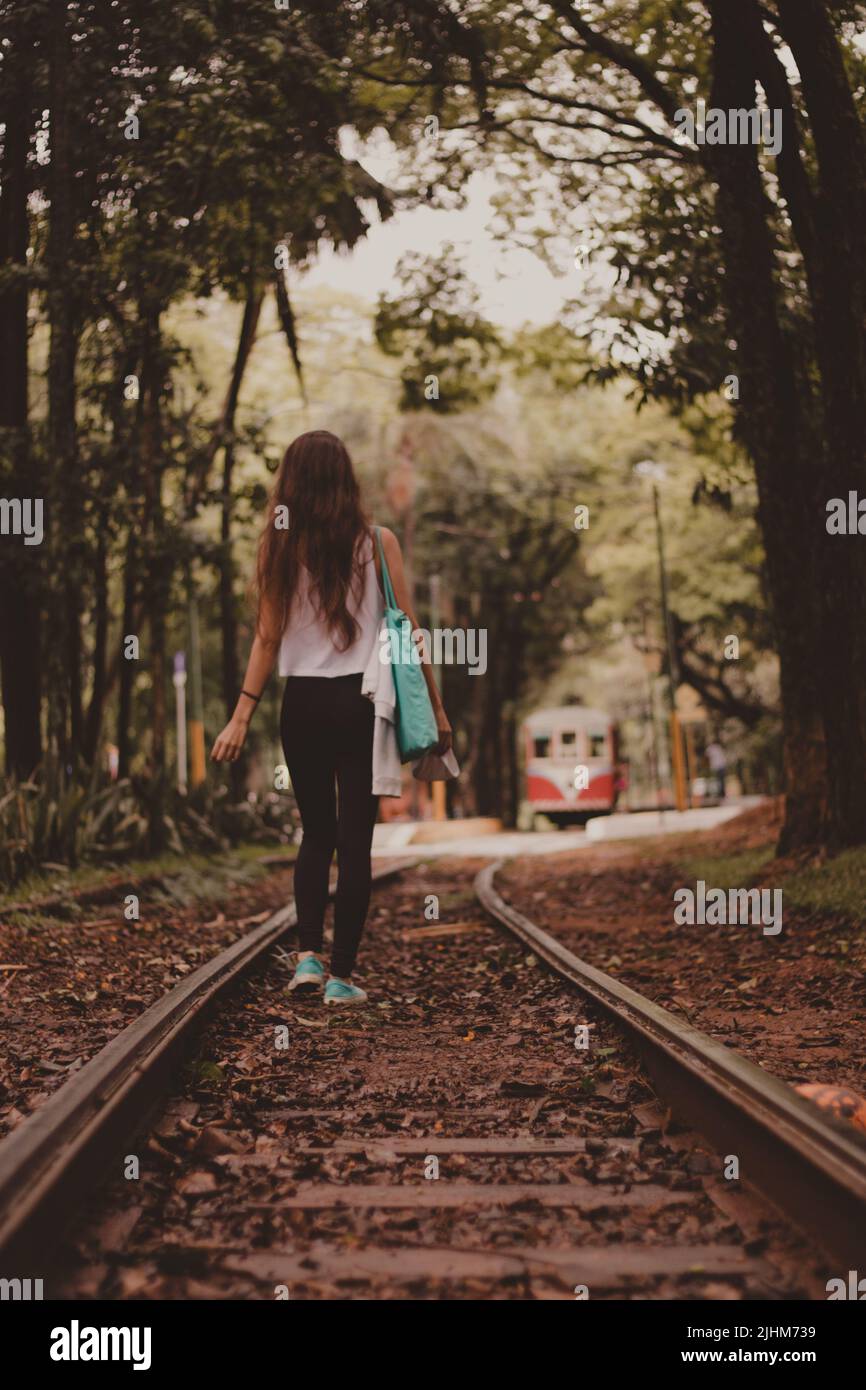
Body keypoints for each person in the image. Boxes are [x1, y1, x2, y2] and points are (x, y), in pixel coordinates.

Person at [211, 430, 452, 1006]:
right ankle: (342, 977)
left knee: (315, 834)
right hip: (364, 704)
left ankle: (308, 961)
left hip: (302, 706)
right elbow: (407, 633)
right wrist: (437, 710)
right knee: (355, 841)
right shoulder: (378, 542)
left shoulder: (277, 546)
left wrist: (241, 715)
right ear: (345, 480)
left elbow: (267, 639)